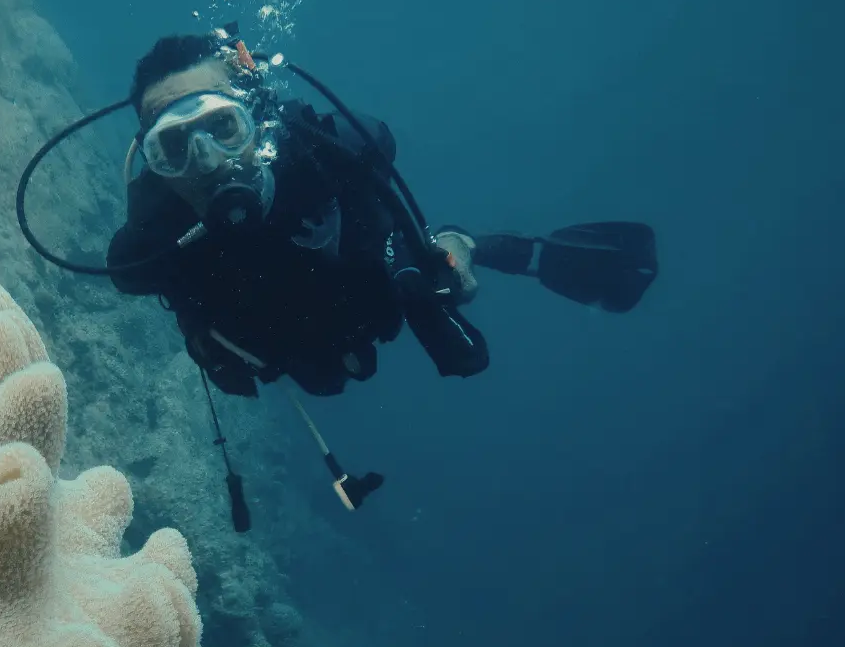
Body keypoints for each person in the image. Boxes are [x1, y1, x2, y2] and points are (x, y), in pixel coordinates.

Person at [103, 30, 657, 399]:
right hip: (291, 347)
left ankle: (470, 242)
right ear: (153, 159)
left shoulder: (325, 157)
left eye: (223, 127)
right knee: (323, 378)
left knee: (425, 275)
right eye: (174, 146)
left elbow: (390, 217)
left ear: (257, 118)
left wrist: (442, 256)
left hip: (365, 292)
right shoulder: (154, 239)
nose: (205, 162)